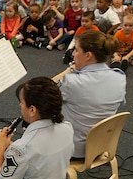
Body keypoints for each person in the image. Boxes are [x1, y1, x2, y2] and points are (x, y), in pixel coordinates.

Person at [53, 30, 126, 159]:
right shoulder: (120, 77)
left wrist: (70, 69)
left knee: (35, 110)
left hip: (73, 151)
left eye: (76, 50)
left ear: (88, 55)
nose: (74, 54)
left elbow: (43, 90)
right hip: (101, 147)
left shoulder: (71, 82)